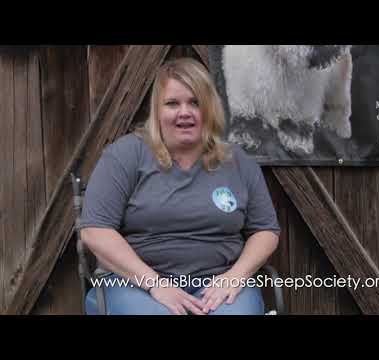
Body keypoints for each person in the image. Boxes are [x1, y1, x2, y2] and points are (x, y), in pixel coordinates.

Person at [78, 57, 281, 315]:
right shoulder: (125, 155)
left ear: (209, 108)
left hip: (218, 282)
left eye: (195, 102)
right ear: (157, 112)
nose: (184, 112)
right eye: (172, 103)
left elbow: (266, 230)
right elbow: (95, 230)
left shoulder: (238, 162)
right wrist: (156, 285)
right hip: (135, 283)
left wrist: (235, 276)